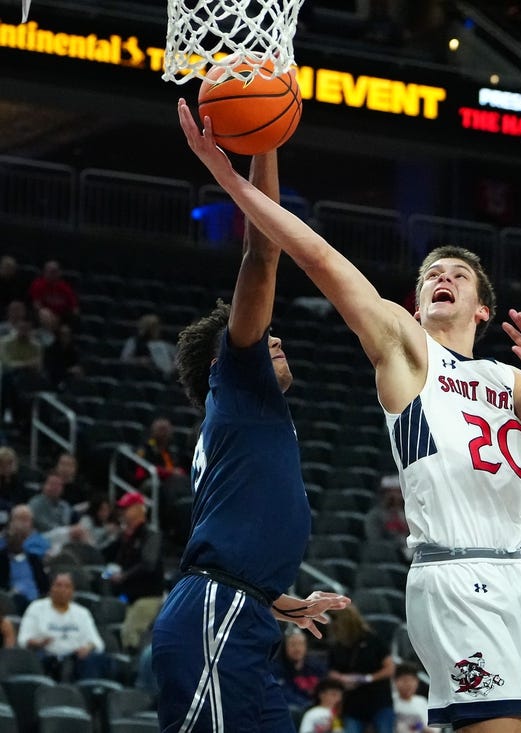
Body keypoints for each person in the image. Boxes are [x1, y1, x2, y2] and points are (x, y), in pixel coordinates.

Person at [179, 96, 521, 733]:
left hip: (516, 573)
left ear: (483, 310)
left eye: (457, 274)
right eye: (430, 276)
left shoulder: (506, 377)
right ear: (417, 304)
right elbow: (321, 260)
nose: (441, 277)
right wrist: (233, 183)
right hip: (454, 572)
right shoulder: (406, 347)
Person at [151, 146, 349, 732]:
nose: (274, 338)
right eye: (261, 334)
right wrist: (266, 140)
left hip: (241, 612)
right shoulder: (236, 381)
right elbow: (262, 252)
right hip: (217, 614)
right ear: (225, 360)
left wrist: (270, 596)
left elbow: (226, 535)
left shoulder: (243, 414)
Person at [17, 571, 112, 681]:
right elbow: (23, 640)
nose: (62, 590)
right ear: (51, 588)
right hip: (46, 657)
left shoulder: (82, 613)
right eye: (58, 585)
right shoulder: (36, 608)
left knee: (99, 660)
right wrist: (38, 643)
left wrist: (87, 648)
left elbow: (97, 643)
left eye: (67, 586)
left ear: (73, 591)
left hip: (75, 660)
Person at [104, 491, 165, 651]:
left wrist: (123, 576)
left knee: (130, 633)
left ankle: (134, 671)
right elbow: (106, 554)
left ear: (139, 509)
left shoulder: (151, 535)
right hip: (131, 598)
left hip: (149, 597)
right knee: (127, 633)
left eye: (127, 508)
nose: (123, 512)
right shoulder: (126, 537)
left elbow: (149, 564)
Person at [326, 605, 395, 733]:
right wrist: (342, 678)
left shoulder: (373, 639)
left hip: (378, 700)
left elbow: (390, 668)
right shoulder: (337, 644)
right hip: (352, 703)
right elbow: (331, 671)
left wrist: (367, 678)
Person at [273, 627, 328, 710]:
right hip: (293, 710)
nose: (297, 648)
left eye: (300, 644)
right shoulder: (276, 668)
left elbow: (325, 689)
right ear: (285, 647)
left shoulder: (316, 666)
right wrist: (307, 706)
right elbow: (283, 693)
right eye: (293, 644)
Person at [121, 313, 178, 379]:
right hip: (138, 376)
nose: (158, 330)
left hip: (160, 378)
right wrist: (138, 361)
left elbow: (175, 355)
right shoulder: (134, 341)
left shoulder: (162, 343)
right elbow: (124, 359)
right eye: (155, 327)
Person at [393, 662, 434, 733]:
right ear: (396, 681)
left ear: (417, 682)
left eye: (412, 680)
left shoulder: (422, 702)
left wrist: (420, 727)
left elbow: (432, 730)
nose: (408, 684)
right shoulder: (391, 701)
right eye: (404, 680)